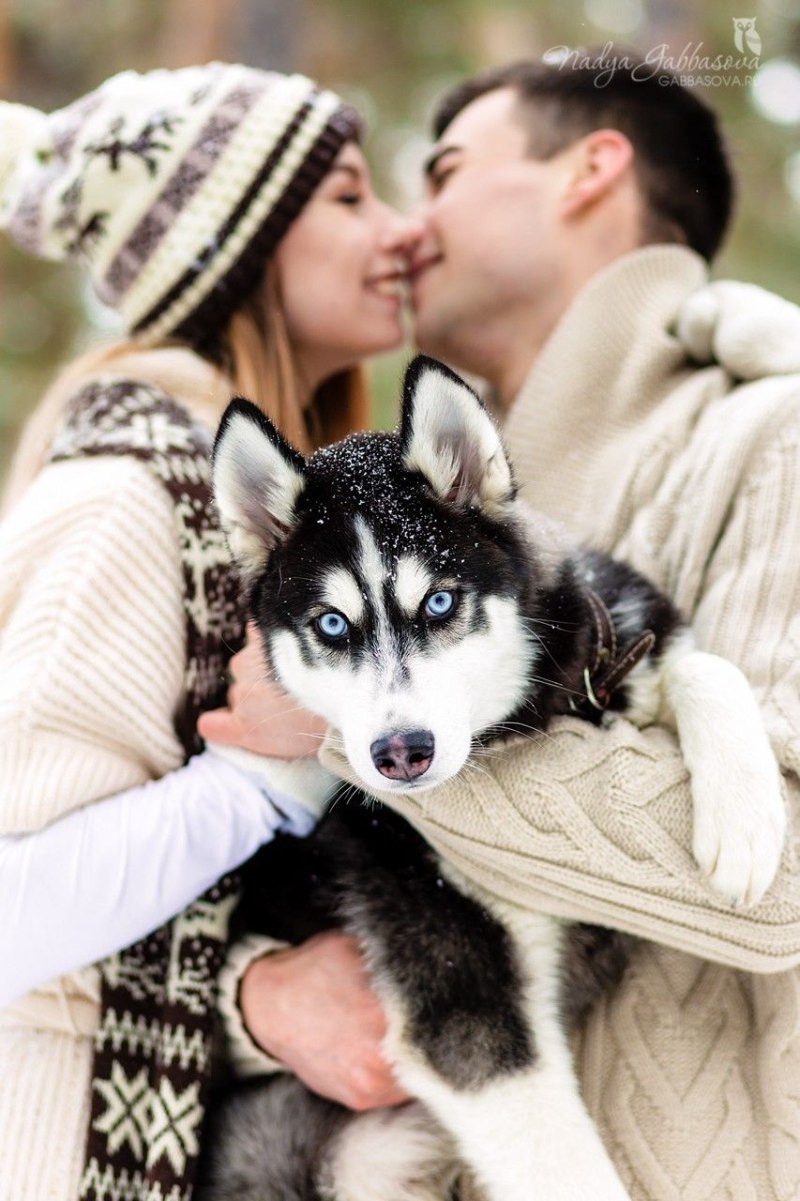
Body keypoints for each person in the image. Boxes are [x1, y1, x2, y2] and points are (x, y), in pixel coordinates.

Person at [211, 57, 800, 1200]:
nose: (402, 225)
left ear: (590, 167)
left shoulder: (767, 436)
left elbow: (781, 876)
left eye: (439, 173)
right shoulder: (367, 509)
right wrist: (258, 996)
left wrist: (367, 740)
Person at [0, 62, 420, 1201]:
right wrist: (257, 784)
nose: (403, 231)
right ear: (227, 245)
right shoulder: (123, 505)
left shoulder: (295, 512)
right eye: (346, 197)